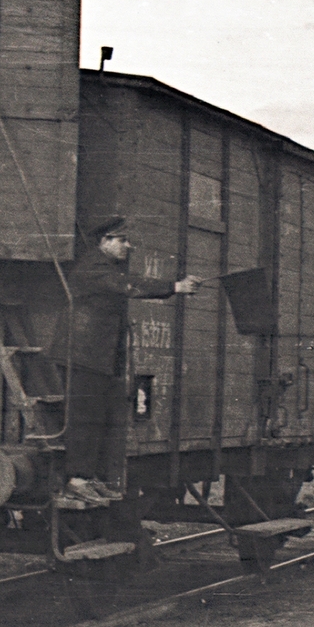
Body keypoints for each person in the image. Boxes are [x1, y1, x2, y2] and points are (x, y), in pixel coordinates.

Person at [48, 215, 200, 507]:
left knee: (96, 418)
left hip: (94, 356)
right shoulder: (94, 268)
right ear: (105, 241)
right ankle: (76, 480)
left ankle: (86, 478)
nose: (127, 246)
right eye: (122, 240)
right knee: (84, 418)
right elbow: (129, 286)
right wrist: (176, 287)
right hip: (81, 355)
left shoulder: (104, 267)